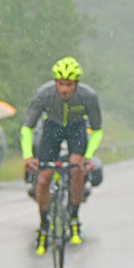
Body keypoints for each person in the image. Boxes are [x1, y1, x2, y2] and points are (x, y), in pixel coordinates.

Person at [21, 57, 103, 252]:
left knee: (77, 169)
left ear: (77, 84)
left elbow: (97, 130)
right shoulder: (44, 94)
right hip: (53, 127)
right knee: (44, 178)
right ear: (55, 83)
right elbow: (27, 128)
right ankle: (44, 225)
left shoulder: (88, 96)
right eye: (60, 84)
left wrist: (88, 156)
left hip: (76, 128)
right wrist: (27, 156)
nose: (64, 89)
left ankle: (74, 217)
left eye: (69, 85)